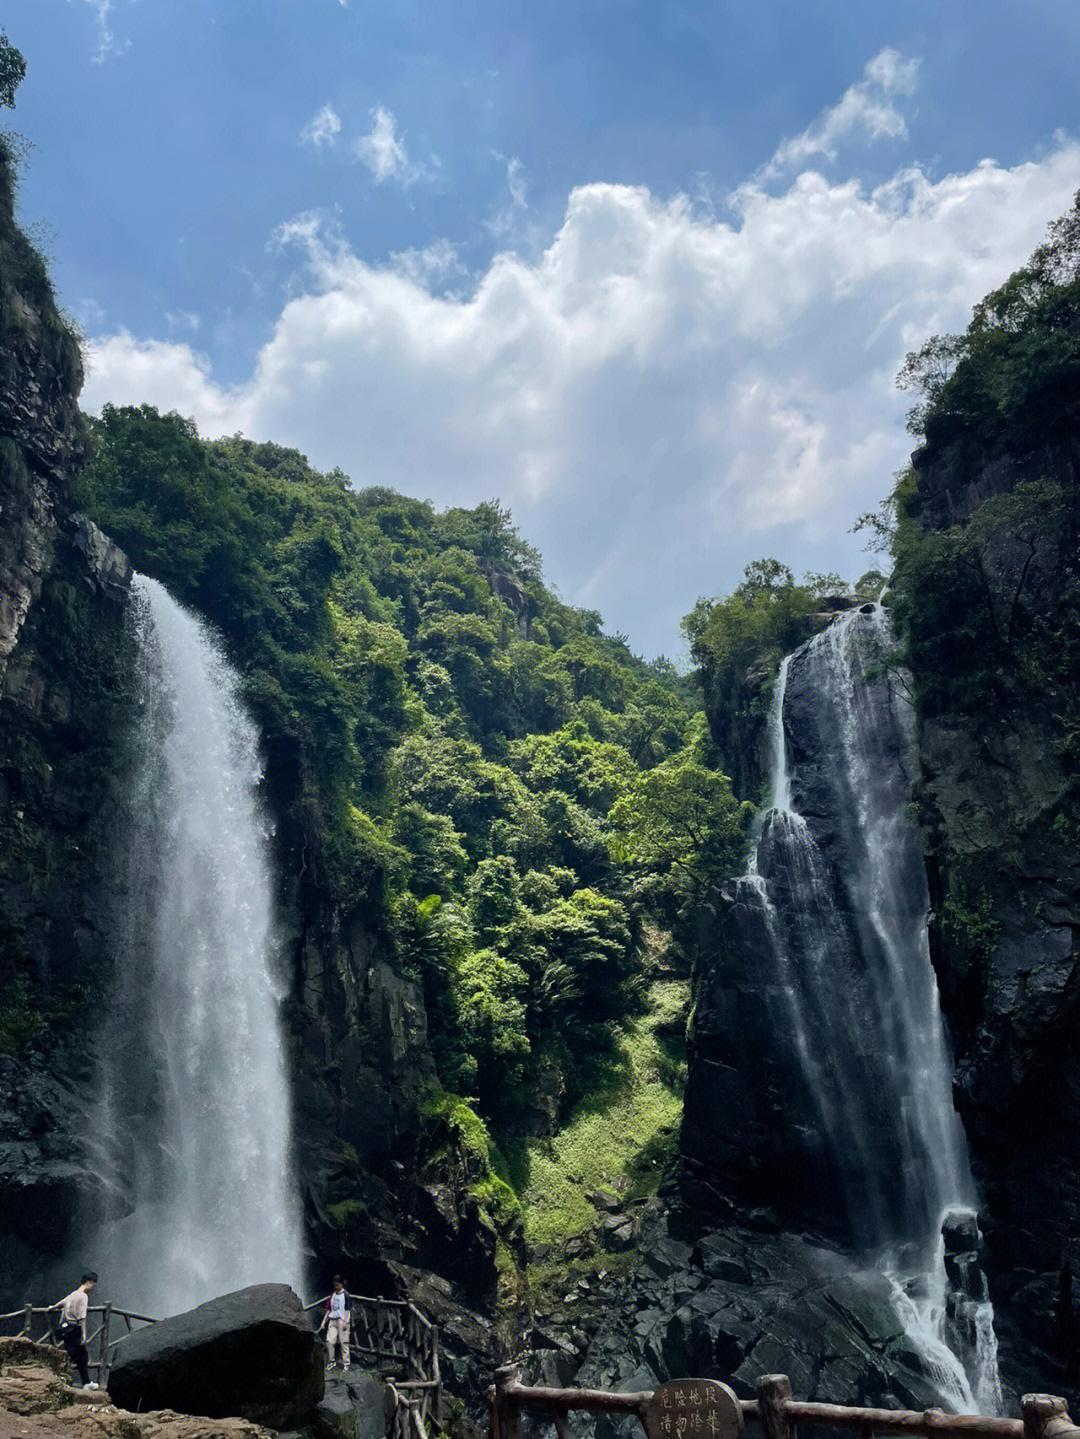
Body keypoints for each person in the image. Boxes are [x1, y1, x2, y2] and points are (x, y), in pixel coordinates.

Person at [55, 1272, 99, 1389]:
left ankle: (85, 1382)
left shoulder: (73, 1294)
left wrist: (52, 1308)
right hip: (74, 1329)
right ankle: (72, 1382)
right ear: (89, 1282)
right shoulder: (83, 1296)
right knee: (76, 1356)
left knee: (78, 1355)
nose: (92, 1288)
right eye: (93, 1284)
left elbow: (60, 1304)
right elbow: (82, 1317)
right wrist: (84, 1334)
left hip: (66, 1330)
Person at [319, 1276, 351, 1372]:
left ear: (342, 1284)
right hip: (333, 1319)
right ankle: (331, 1361)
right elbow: (329, 1309)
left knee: (344, 1342)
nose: (336, 1287)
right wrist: (324, 1321)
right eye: (335, 1285)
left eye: (338, 1285)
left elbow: (347, 1310)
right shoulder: (332, 1295)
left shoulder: (345, 1295)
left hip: (342, 1320)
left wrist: (345, 1321)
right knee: (330, 1341)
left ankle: (346, 1363)